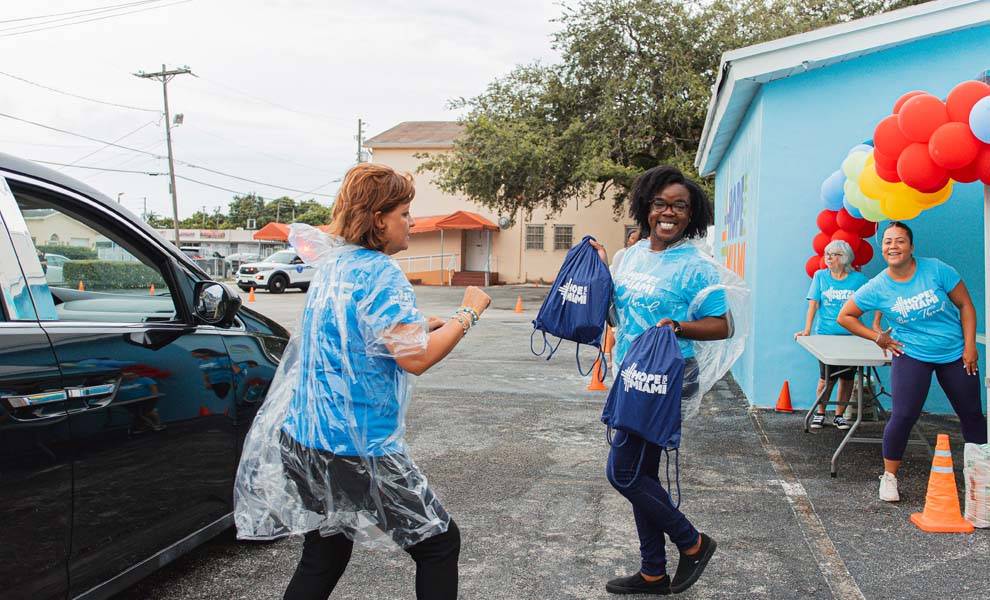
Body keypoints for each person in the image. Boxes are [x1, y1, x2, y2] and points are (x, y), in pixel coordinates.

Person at [234, 163, 491, 600]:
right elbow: (416, 359)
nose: (410, 222)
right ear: (379, 219)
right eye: (404, 212)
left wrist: (414, 327)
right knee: (439, 543)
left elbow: (354, 334)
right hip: (358, 448)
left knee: (326, 549)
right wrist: (468, 312)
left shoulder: (336, 266)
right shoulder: (381, 272)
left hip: (304, 438)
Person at [590, 165, 728, 595]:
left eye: (680, 206)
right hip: (630, 372)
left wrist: (679, 327)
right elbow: (616, 311)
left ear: (692, 214)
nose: (669, 213)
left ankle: (693, 542)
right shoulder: (629, 256)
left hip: (667, 375)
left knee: (624, 473)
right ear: (647, 207)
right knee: (642, 474)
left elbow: (722, 324)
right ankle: (653, 571)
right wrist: (595, 270)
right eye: (661, 204)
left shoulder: (697, 266)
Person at [837, 221, 988, 502]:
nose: (893, 246)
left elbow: (965, 305)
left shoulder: (937, 270)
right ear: (882, 249)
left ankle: (980, 476)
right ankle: (889, 477)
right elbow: (845, 316)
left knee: (972, 414)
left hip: (955, 352)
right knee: (903, 415)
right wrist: (877, 337)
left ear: (911, 246)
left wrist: (970, 347)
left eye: (899, 241)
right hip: (912, 354)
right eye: (887, 242)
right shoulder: (878, 285)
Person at [794, 240, 868, 430]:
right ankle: (820, 413)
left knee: (847, 378)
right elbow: (813, 304)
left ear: (844, 258)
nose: (828, 257)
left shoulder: (859, 280)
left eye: (833, 254)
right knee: (826, 378)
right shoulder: (820, 276)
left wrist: (874, 325)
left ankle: (839, 416)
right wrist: (807, 330)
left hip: (851, 337)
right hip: (826, 335)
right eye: (826, 253)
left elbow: (876, 299)